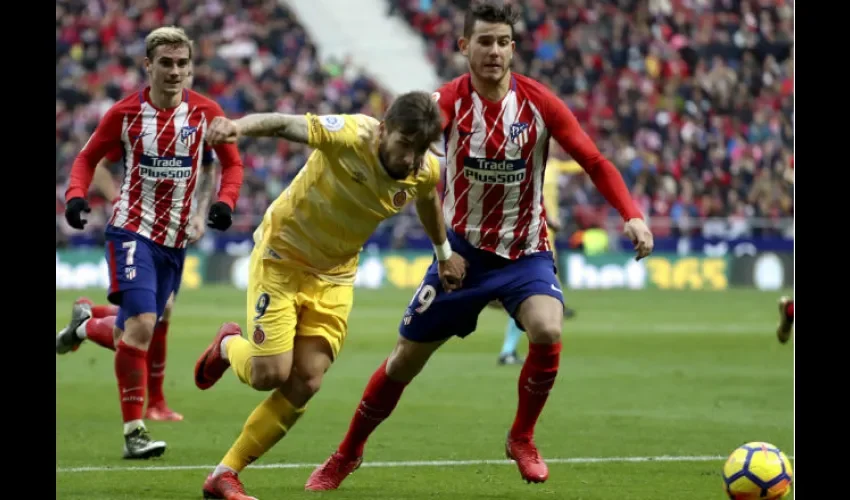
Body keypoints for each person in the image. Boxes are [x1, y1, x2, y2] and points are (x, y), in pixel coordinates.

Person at [305, 1, 653, 490]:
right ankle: (346, 453)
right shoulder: (446, 103)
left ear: (514, 48)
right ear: (464, 46)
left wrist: (632, 215)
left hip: (524, 252)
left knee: (548, 329)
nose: (494, 51)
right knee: (404, 360)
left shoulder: (540, 103)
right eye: (484, 41)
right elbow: (401, 145)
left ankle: (522, 438)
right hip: (461, 257)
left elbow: (594, 160)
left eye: (502, 42)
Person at [193, 91, 466, 500]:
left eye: (420, 149)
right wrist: (236, 127)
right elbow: (285, 122)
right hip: (282, 256)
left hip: (334, 276)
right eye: (404, 144)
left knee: (306, 379)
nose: (410, 158)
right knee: (269, 373)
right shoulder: (352, 134)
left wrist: (444, 253)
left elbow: (427, 201)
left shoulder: (423, 171)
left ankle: (224, 473)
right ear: (384, 129)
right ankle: (228, 344)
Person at [60, 26, 244, 459]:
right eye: (166, 63)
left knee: (132, 332)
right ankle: (135, 431)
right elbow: (87, 158)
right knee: (143, 327)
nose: (175, 71)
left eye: (183, 63)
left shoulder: (206, 113)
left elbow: (233, 165)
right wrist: (74, 196)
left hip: (175, 243)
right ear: (148, 66)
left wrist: (225, 203)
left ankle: (85, 324)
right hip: (131, 230)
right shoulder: (125, 114)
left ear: (191, 67)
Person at [57, 142, 217, 422]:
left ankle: (89, 318)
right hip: (135, 232)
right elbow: (97, 165)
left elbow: (210, 165)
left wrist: (199, 213)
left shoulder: (194, 121)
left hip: (172, 234)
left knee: (154, 317)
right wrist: (117, 199)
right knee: (144, 323)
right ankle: (88, 327)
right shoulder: (142, 127)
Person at [497, 143, 575, 365]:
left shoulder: (546, 166)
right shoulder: (528, 167)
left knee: (527, 293)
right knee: (527, 293)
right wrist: (549, 219)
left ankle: (508, 350)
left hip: (532, 236)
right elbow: (531, 194)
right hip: (528, 237)